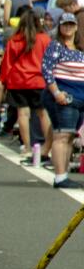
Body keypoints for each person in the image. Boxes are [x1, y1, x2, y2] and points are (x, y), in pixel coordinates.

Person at [0, 8, 52, 160]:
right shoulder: (44, 39)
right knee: (43, 114)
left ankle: (27, 147)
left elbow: (7, 64)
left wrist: (4, 82)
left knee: (22, 114)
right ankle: (47, 146)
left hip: (18, 81)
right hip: (38, 81)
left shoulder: (14, 40)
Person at [39, 12, 84, 189]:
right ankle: (59, 176)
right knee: (62, 134)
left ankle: (63, 174)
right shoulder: (56, 46)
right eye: (65, 24)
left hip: (79, 99)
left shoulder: (80, 50)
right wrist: (56, 93)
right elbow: (47, 70)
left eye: (71, 24)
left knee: (70, 135)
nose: (68, 27)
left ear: (76, 27)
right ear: (60, 26)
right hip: (63, 97)